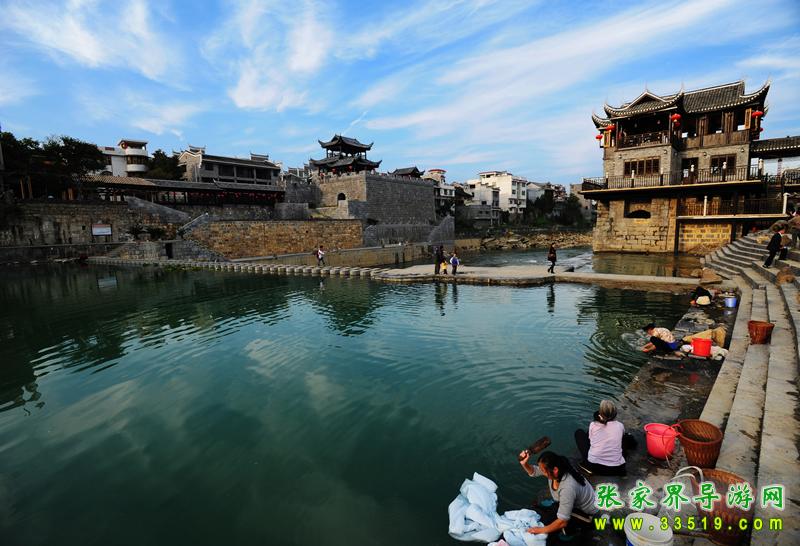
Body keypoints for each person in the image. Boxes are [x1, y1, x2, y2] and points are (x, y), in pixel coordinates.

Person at [518, 450, 598, 541]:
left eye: (543, 471)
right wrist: (524, 464)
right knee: (554, 512)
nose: (541, 472)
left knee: (559, 522)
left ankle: (577, 530)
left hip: (586, 513)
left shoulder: (568, 487)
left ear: (555, 470)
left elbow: (562, 521)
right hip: (573, 502)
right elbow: (534, 471)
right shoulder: (558, 469)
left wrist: (540, 530)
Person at [574, 400, 627, 476]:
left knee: (579, 432)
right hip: (617, 468)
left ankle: (587, 466)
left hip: (594, 467)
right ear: (615, 414)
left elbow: (590, 440)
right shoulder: (620, 425)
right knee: (623, 438)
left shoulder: (593, 425)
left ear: (600, 413)